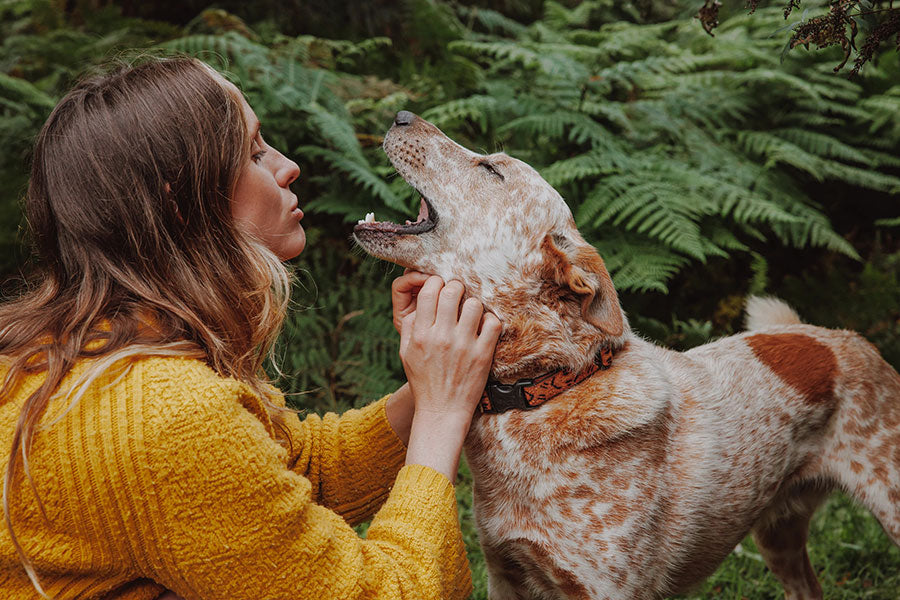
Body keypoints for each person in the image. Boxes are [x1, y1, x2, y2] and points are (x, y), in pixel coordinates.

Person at [0, 56, 501, 599]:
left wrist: (438, 380)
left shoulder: (90, 351)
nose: (288, 167)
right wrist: (441, 416)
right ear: (183, 203)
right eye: (255, 153)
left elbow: (293, 467)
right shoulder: (170, 418)